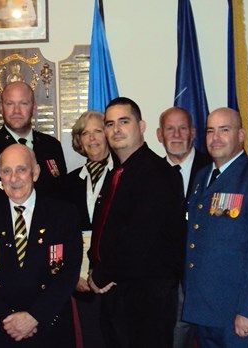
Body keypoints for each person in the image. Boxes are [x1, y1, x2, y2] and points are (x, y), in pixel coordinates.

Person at [182, 107, 248, 347]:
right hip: (204, 309)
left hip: (239, 315)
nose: (215, 137)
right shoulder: (202, 178)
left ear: (240, 135)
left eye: (224, 130)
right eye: (210, 131)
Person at [88, 97, 186, 348]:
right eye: (109, 124)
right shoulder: (117, 173)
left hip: (146, 298)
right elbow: (107, 229)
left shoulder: (157, 174)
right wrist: (93, 265)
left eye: (124, 121)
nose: (116, 129)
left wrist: (101, 274)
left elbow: (140, 239)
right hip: (118, 294)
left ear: (141, 126)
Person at [0, 144, 82, 348]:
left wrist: (35, 316)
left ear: (35, 172)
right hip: (1, 331)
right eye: (6, 171)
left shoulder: (63, 215)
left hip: (49, 328)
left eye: (21, 169)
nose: (14, 178)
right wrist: (8, 321)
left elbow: (69, 272)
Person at [0, 81, 66, 213]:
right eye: (10, 104)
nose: (16, 111)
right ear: (0, 107)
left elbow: (62, 198)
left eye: (23, 103)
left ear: (34, 107)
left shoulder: (51, 146)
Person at [156, 106, 211, 348]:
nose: (176, 134)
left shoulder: (213, 169)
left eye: (183, 128)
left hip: (207, 277)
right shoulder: (149, 174)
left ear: (193, 132)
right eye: (170, 129)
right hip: (163, 281)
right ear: (159, 135)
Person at [61, 110, 111, 348]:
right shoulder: (67, 184)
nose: (91, 138)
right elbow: (61, 235)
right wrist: (73, 276)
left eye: (97, 131)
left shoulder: (123, 176)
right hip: (80, 280)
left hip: (116, 280)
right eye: (85, 133)